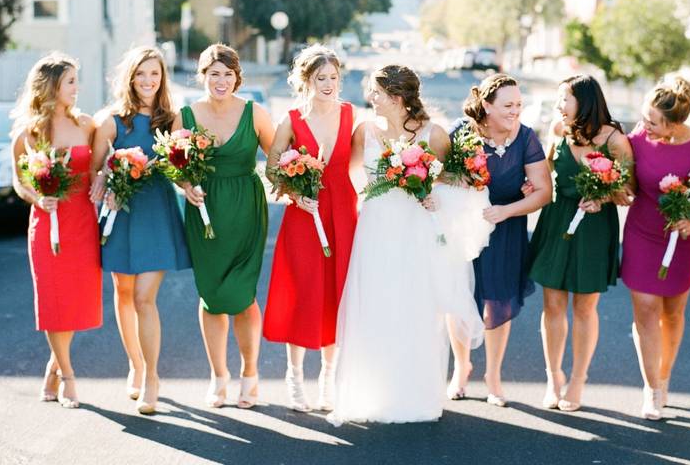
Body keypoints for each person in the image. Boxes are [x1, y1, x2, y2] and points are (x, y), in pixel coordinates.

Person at [328, 65, 482, 425]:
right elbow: (351, 174)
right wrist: (368, 195)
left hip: (415, 230)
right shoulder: (364, 131)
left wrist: (433, 197)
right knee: (376, 305)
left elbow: (454, 179)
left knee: (415, 307)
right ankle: (372, 392)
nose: (371, 99)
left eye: (377, 93)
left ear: (397, 98)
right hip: (376, 227)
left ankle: (414, 393)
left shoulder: (435, 134)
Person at [619, 76, 690, 420]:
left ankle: (665, 378)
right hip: (642, 232)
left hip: (683, 239)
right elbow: (617, 160)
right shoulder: (638, 138)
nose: (644, 125)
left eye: (653, 122)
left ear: (675, 124)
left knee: (672, 313)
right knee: (646, 310)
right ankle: (652, 389)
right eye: (644, 117)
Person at [90, 46, 192, 414]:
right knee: (124, 293)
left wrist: (190, 187)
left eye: (155, 74)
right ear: (129, 78)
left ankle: (152, 376)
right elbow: (96, 173)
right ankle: (134, 362)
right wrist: (107, 183)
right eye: (140, 74)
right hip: (121, 214)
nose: (148, 81)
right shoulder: (111, 121)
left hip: (156, 213)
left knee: (145, 298)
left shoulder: (172, 120)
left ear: (163, 78)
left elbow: (180, 169)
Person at [173, 45, 275, 408]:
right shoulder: (185, 116)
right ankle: (219, 376)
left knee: (244, 295)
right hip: (205, 210)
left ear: (237, 78)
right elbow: (173, 164)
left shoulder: (255, 113)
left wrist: (302, 184)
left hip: (246, 209)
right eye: (214, 73)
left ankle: (250, 374)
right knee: (212, 296)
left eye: (228, 74)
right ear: (203, 76)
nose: (221, 80)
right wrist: (185, 185)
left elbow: (278, 160)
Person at [446, 74, 552, 407]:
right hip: (465, 228)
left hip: (506, 228)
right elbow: (438, 175)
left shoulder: (527, 138)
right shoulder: (462, 134)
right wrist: (458, 180)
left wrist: (508, 211)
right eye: (508, 105)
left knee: (499, 300)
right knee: (460, 298)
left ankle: (493, 374)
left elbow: (543, 192)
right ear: (487, 106)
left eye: (518, 105)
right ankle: (461, 367)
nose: (515, 111)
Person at [528, 75, 632, 411]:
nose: (559, 107)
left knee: (584, 308)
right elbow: (543, 171)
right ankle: (553, 376)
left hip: (594, 227)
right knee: (552, 304)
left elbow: (628, 191)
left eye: (564, 100)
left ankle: (578, 379)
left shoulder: (614, 140)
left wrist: (605, 196)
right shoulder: (558, 131)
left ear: (584, 102)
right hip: (557, 220)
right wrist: (529, 187)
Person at [263, 45, 358, 412]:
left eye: (334, 78)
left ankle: (328, 378)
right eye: (321, 78)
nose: (329, 84)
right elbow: (273, 169)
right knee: (304, 293)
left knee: (336, 292)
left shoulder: (351, 114)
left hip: (343, 214)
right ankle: (294, 376)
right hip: (305, 216)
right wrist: (294, 195)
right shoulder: (290, 120)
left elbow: (366, 162)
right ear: (306, 80)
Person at [9, 53, 101, 409]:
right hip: (48, 225)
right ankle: (68, 377)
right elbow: (19, 182)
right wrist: (37, 198)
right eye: (71, 82)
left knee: (75, 300)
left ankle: (53, 367)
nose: (77, 89)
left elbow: (96, 169)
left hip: (82, 222)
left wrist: (104, 180)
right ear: (52, 87)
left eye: (77, 81)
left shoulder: (87, 125)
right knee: (54, 300)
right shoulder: (29, 133)